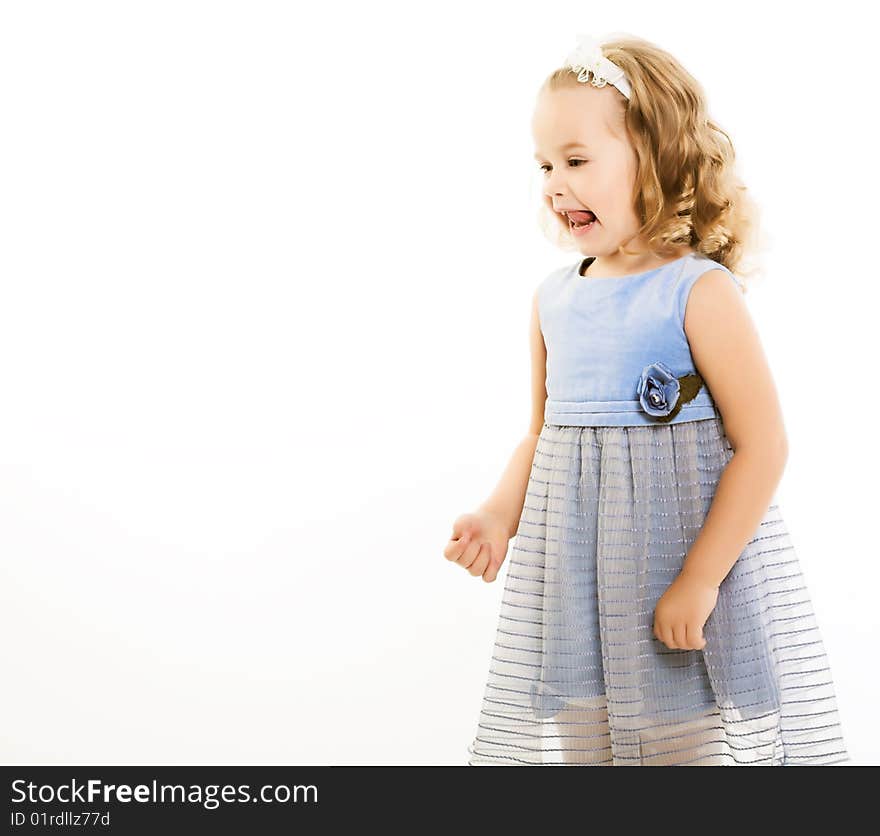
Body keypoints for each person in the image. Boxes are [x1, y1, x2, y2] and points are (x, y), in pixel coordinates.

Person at [444, 32, 850, 766]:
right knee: (585, 749)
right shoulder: (552, 301)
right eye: (543, 166)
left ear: (654, 158)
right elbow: (542, 437)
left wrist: (698, 580)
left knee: (675, 752)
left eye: (575, 161)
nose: (552, 183)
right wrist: (498, 515)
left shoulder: (697, 292)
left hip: (669, 567)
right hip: (575, 580)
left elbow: (764, 445)